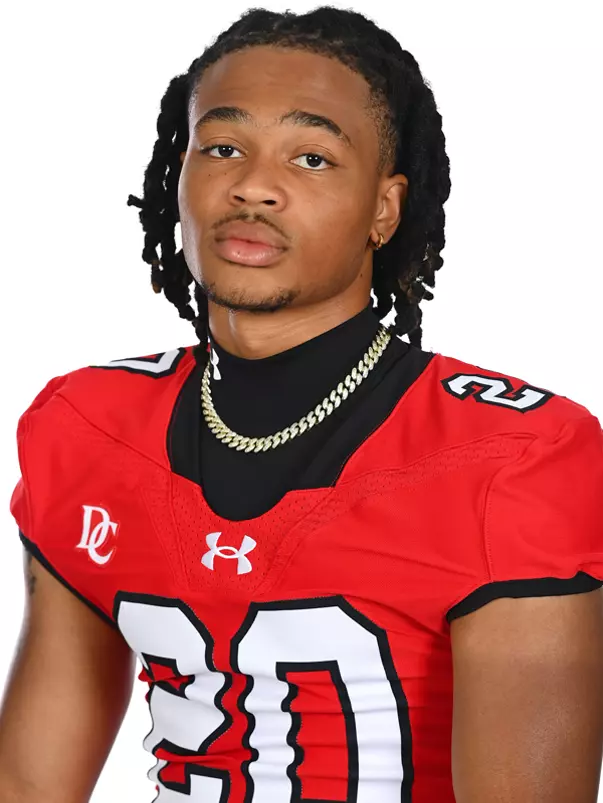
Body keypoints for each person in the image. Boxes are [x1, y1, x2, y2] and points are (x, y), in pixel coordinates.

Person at [1, 6, 602, 802]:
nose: (252, 185)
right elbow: (30, 782)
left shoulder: (515, 455)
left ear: (384, 209)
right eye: (221, 147)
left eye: (312, 157)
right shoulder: (87, 423)